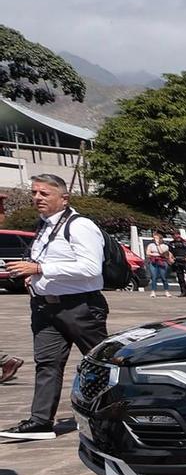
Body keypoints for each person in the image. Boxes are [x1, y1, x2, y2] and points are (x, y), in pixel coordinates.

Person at [1, 174, 109, 442]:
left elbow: (91, 268)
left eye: (45, 194)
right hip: (44, 308)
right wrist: (33, 277)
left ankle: (113, 416)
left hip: (80, 307)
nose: (37, 198)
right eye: (35, 193)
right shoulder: (45, 227)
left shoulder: (80, 226)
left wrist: (40, 268)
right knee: (47, 364)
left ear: (64, 198)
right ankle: (40, 422)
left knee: (100, 364)